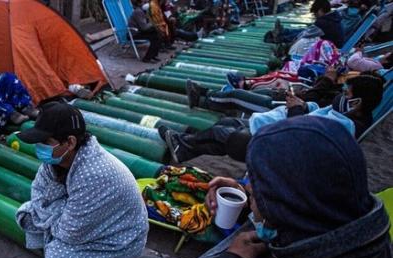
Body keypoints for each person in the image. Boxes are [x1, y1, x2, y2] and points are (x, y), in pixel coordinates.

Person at [120, 116, 393, 258]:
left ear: (285, 206)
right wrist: (242, 192)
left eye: (259, 191)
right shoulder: (341, 220)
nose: (252, 196)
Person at [14, 103, 149, 258]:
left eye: (45, 142)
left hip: (119, 239)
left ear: (70, 142)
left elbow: (70, 232)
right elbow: (38, 193)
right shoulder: (57, 160)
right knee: (28, 216)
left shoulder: (95, 173)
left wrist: (51, 212)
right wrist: (56, 212)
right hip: (84, 221)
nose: (39, 148)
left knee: (60, 257)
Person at [163, 75, 384, 163]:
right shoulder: (344, 112)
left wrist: (298, 109)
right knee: (226, 124)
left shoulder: (346, 127)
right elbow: (319, 111)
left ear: (358, 103)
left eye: (347, 94)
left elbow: (302, 135)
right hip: (277, 129)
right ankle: (184, 149)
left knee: (224, 134)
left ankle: (184, 144)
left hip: (280, 146)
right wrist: (305, 105)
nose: (342, 95)